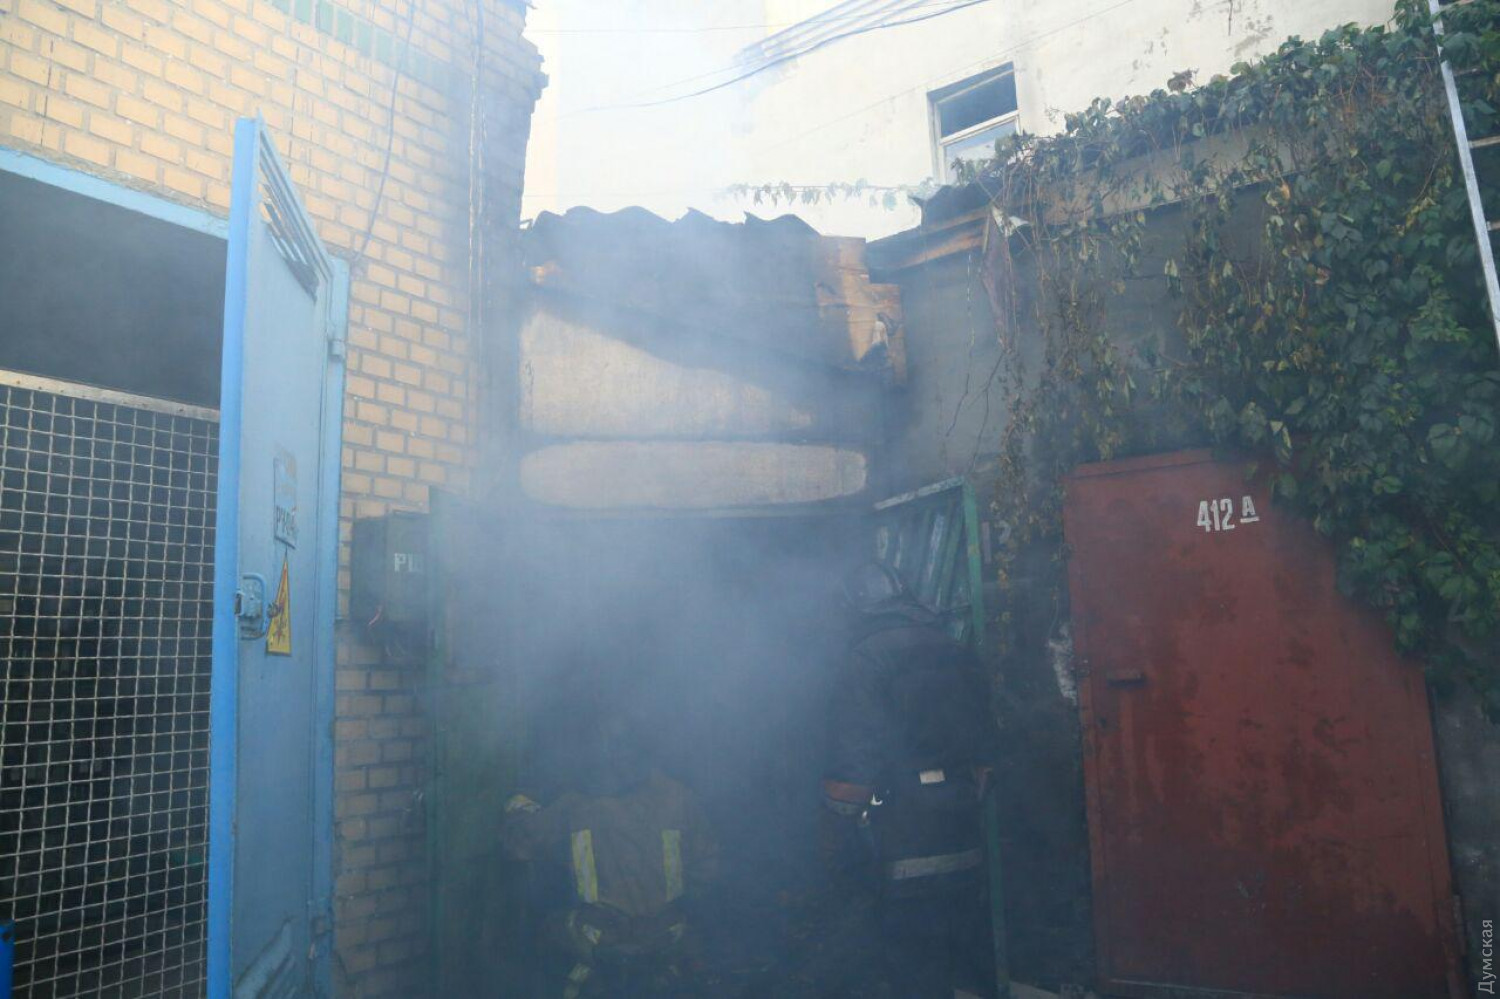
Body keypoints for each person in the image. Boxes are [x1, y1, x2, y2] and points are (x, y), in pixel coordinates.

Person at [821, 560, 1000, 999]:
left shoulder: (864, 659)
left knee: (912, 966)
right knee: (958, 958)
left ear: (852, 607)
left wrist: (832, 840)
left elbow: (852, 776)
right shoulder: (954, 650)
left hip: (902, 844)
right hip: (963, 836)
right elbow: (986, 757)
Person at [501, 713, 719, 998]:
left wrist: (522, 800)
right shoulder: (679, 797)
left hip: (599, 942)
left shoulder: (577, 805)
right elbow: (707, 870)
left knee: (542, 935)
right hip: (668, 940)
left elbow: (519, 844)